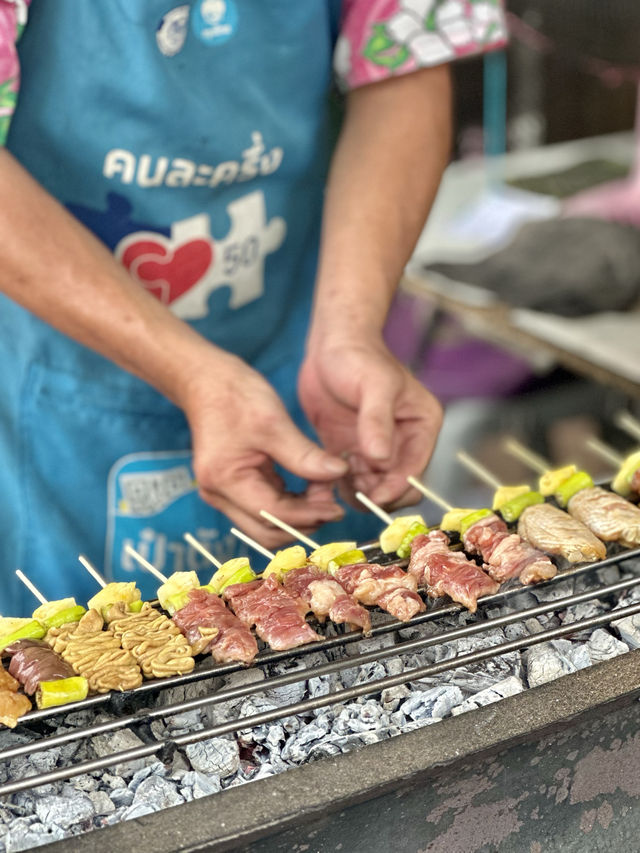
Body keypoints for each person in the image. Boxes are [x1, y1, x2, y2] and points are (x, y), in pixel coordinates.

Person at [0, 0, 506, 612]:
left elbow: (406, 62)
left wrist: (349, 331)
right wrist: (192, 373)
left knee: (341, 626)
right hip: (56, 384)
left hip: (297, 343)